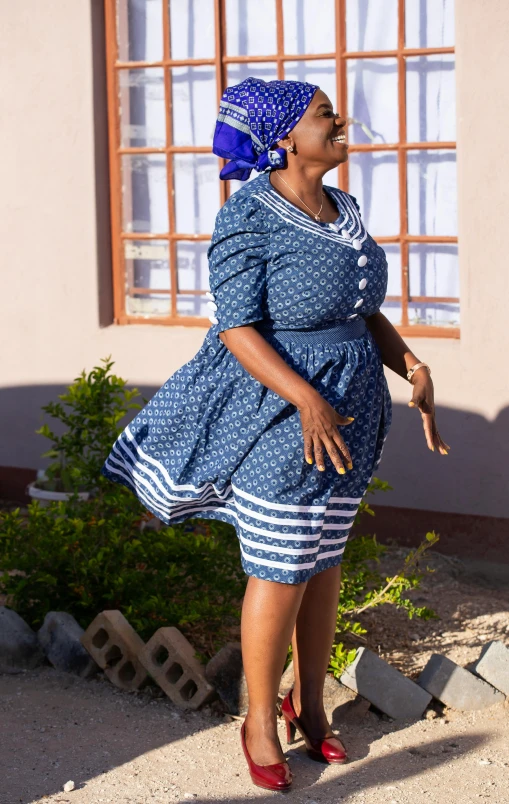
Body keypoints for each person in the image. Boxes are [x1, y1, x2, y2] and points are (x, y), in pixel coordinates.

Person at [101, 77, 450, 792]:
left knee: (322, 563)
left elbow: (363, 308)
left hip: (351, 407)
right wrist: (306, 401)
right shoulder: (248, 217)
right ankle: (260, 719)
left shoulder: (343, 208)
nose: (340, 120)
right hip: (278, 411)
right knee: (279, 563)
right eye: (324, 113)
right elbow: (234, 327)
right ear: (284, 137)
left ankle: (311, 708)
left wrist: (408, 362)